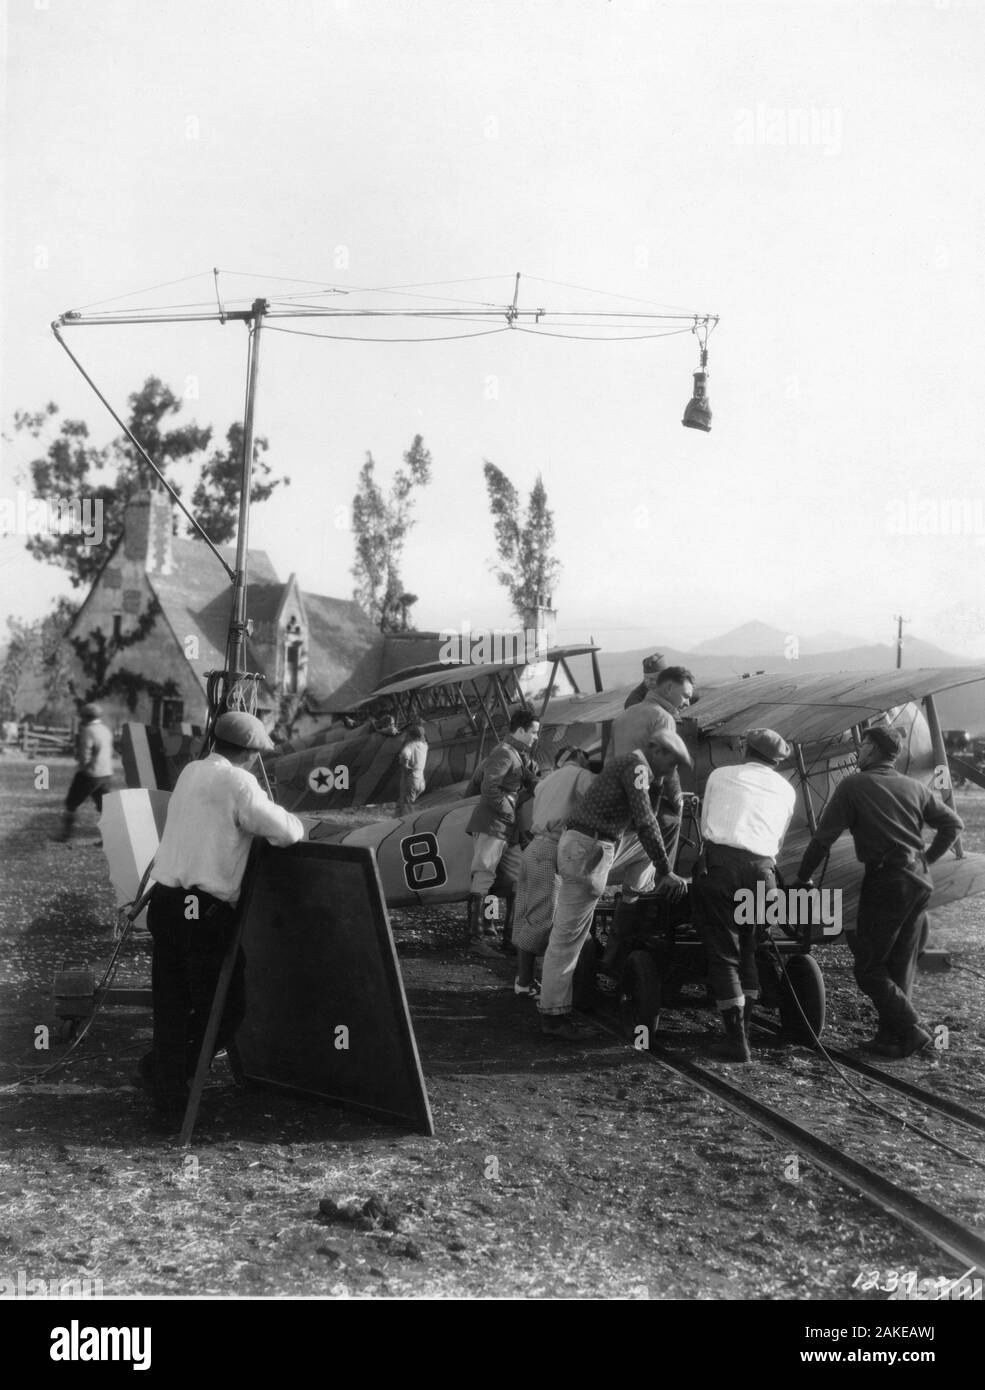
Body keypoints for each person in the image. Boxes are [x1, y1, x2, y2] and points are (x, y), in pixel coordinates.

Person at [139, 710, 305, 1129]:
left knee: (171, 1003)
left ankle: (163, 1081)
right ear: (248, 754)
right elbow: (284, 831)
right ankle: (169, 1077)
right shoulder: (239, 782)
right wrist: (294, 820)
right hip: (203, 909)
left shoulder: (192, 771)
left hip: (166, 901)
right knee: (227, 1006)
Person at [795, 724, 963, 1059]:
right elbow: (952, 824)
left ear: (871, 749)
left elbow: (822, 840)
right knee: (899, 963)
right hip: (918, 881)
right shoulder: (913, 786)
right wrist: (926, 858)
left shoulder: (853, 785)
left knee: (868, 967)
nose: (858, 752)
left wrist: (801, 878)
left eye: (862, 746)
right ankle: (890, 1039)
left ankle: (914, 1029)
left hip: (885, 882)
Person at [538, 729, 692, 1040]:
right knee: (568, 936)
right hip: (590, 849)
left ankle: (634, 898)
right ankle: (554, 1016)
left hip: (587, 845)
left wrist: (658, 786)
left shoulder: (627, 765)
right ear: (657, 751)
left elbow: (641, 825)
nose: (671, 771)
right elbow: (646, 820)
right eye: (671, 763)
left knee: (571, 933)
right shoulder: (636, 769)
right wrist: (667, 870)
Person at [692, 728, 797, 1063]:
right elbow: (778, 842)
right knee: (749, 948)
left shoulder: (720, 775)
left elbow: (706, 822)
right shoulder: (786, 789)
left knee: (724, 955)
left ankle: (737, 1041)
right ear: (777, 760)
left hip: (722, 867)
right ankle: (745, 1031)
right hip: (763, 874)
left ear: (745, 748)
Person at [601, 666, 696, 958]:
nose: (687, 703)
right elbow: (667, 765)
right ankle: (660, 892)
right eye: (685, 695)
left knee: (598, 881)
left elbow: (608, 763)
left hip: (614, 803)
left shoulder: (624, 715)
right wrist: (678, 798)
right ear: (668, 689)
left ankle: (614, 949)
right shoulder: (664, 717)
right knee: (670, 821)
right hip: (642, 803)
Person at [512, 749, 596, 996]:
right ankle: (525, 983)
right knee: (544, 919)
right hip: (552, 848)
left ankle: (523, 981)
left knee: (526, 915)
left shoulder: (548, 780)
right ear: (580, 758)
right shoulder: (580, 775)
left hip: (534, 846)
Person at [465, 710, 541, 941]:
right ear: (520, 730)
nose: (536, 737)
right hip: (493, 823)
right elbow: (489, 788)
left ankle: (497, 930)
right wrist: (508, 812)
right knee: (484, 875)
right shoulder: (505, 753)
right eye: (534, 732)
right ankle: (476, 936)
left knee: (512, 878)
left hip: (504, 827)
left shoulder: (514, 754)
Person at [59, 702, 114, 841]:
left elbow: (85, 755)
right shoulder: (105, 729)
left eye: (82, 717)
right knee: (105, 808)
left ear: (86, 717)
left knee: (71, 803)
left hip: (91, 773)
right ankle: (108, 839)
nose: (81, 719)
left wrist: (80, 765)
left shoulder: (88, 731)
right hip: (106, 773)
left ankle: (65, 835)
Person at [395, 723, 429, 815]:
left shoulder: (411, 745)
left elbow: (405, 754)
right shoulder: (424, 746)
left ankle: (406, 825)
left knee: (407, 807)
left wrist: (405, 765)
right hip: (421, 780)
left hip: (411, 778)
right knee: (402, 803)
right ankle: (394, 822)